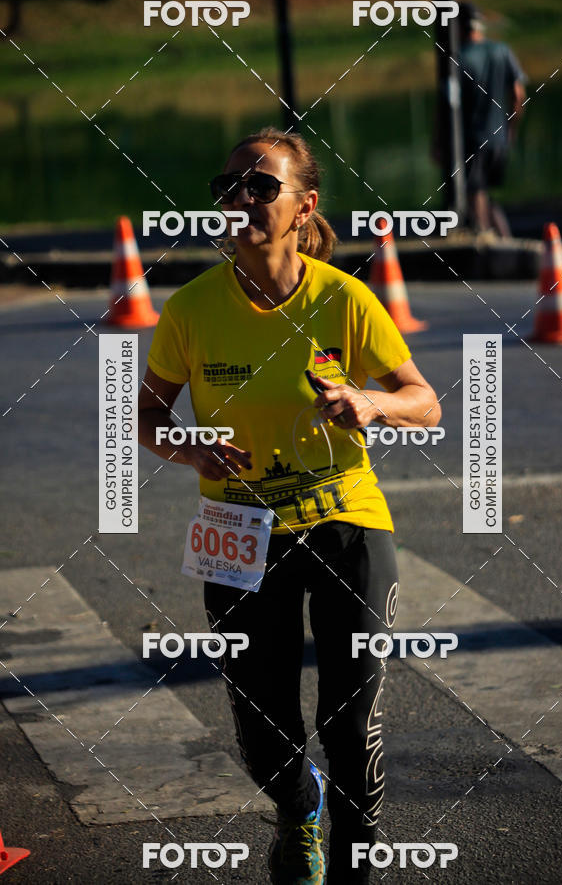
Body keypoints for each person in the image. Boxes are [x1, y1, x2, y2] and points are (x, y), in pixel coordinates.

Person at [138, 127, 442, 885]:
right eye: (229, 186)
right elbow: (142, 418)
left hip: (347, 520)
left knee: (351, 725)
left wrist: (368, 403)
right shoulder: (191, 310)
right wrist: (191, 449)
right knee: (263, 730)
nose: (240, 198)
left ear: (305, 207)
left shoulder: (345, 298)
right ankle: (295, 804)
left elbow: (425, 403)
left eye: (261, 186)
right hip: (236, 530)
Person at [457, 2, 527, 236]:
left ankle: (485, 240)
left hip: (473, 140)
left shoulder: (458, 58)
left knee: (474, 192)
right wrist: (511, 130)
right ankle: (503, 238)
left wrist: (438, 142)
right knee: (485, 192)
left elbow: (445, 106)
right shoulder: (502, 50)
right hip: (499, 139)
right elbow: (518, 96)